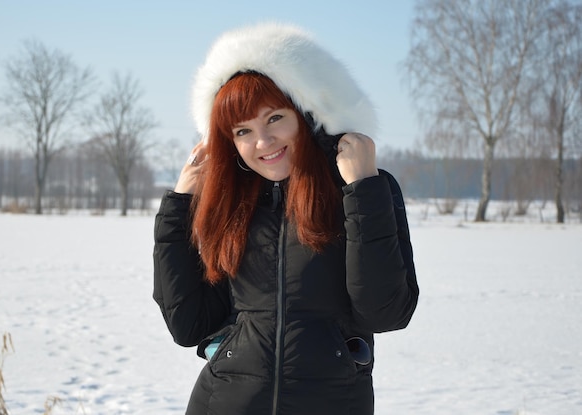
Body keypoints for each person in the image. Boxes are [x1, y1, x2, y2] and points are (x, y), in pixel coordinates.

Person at [153, 22, 419, 415]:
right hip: (225, 402)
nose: (262, 142)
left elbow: (385, 312)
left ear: (306, 113)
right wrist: (179, 208)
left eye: (274, 118)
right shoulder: (228, 201)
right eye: (243, 130)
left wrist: (362, 191)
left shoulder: (360, 190)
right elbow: (188, 325)